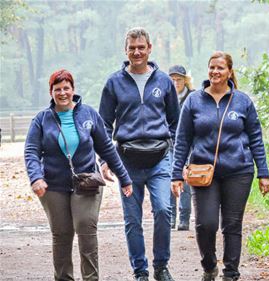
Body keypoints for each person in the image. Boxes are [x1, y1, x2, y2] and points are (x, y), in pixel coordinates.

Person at [171, 51, 269, 281]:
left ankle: (230, 274)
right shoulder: (194, 100)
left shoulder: (243, 101)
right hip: (202, 173)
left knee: (232, 224)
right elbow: (183, 140)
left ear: (229, 72)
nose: (215, 72)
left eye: (220, 68)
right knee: (205, 224)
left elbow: (256, 138)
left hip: (239, 171)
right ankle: (209, 266)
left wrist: (263, 173)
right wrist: (177, 173)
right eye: (212, 67)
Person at [24, 69, 133, 281]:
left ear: (73, 90)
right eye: (57, 89)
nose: (62, 93)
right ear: (51, 92)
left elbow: (107, 148)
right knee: (62, 234)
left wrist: (124, 178)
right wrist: (36, 177)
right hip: (54, 185)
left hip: (87, 183)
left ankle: (90, 278)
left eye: (66, 88)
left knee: (85, 227)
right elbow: (31, 151)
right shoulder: (42, 119)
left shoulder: (89, 114)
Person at [99, 27, 179, 281]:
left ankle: (161, 266)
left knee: (164, 211)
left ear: (149, 49)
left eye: (141, 47)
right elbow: (103, 125)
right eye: (132, 48)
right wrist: (105, 160)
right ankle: (140, 270)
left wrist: (173, 154)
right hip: (127, 162)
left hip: (159, 160)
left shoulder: (164, 81)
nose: (137, 52)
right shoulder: (114, 83)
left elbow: (176, 122)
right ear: (126, 50)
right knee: (132, 219)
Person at [168, 65, 194, 231]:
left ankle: (184, 218)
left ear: (185, 80)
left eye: (179, 79)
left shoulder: (193, 97)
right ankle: (171, 217)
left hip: (190, 144)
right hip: (169, 143)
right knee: (170, 177)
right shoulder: (165, 97)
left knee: (186, 179)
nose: (176, 82)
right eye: (173, 79)